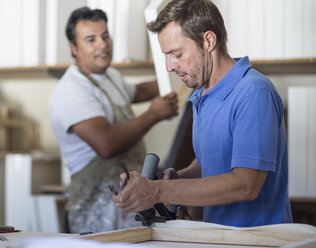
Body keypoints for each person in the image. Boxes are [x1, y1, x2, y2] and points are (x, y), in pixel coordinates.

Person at [113, 0, 293, 227]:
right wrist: (180, 177)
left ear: (208, 41)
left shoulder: (254, 93)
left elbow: (246, 185)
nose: (169, 66)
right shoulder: (202, 94)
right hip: (219, 237)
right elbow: (212, 160)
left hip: (260, 240)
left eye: (176, 54)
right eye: (166, 55)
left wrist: (159, 190)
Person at [48, 7, 178, 233]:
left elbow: (137, 92)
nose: (103, 44)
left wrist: (178, 73)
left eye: (105, 35)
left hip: (127, 208)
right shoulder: (70, 91)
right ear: (73, 48)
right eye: (91, 39)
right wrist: (153, 114)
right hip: (94, 216)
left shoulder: (110, 76)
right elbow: (106, 144)